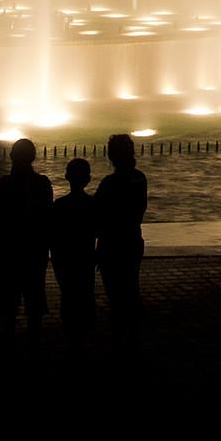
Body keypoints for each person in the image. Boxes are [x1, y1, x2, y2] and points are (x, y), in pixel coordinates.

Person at [0, 137, 53, 345]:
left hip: (8, 253)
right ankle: (34, 346)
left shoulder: (2, 186)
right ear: (34, 157)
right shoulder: (42, 184)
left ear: (11, 157)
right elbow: (46, 219)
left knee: (7, 304)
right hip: (34, 252)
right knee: (34, 301)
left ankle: (7, 348)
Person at [96, 133, 148, 352]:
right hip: (132, 240)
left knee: (115, 292)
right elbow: (140, 211)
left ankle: (118, 335)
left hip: (111, 245)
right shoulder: (140, 178)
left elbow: (98, 213)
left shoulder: (109, 183)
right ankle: (134, 334)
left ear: (111, 156)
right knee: (131, 287)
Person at [50, 158, 98, 337]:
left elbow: (54, 238)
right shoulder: (92, 204)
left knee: (68, 298)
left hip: (65, 260)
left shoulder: (59, 205)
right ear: (88, 179)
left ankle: (71, 337)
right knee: (86, 295)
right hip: (85, 259)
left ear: (66, 177)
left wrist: (55, 262)